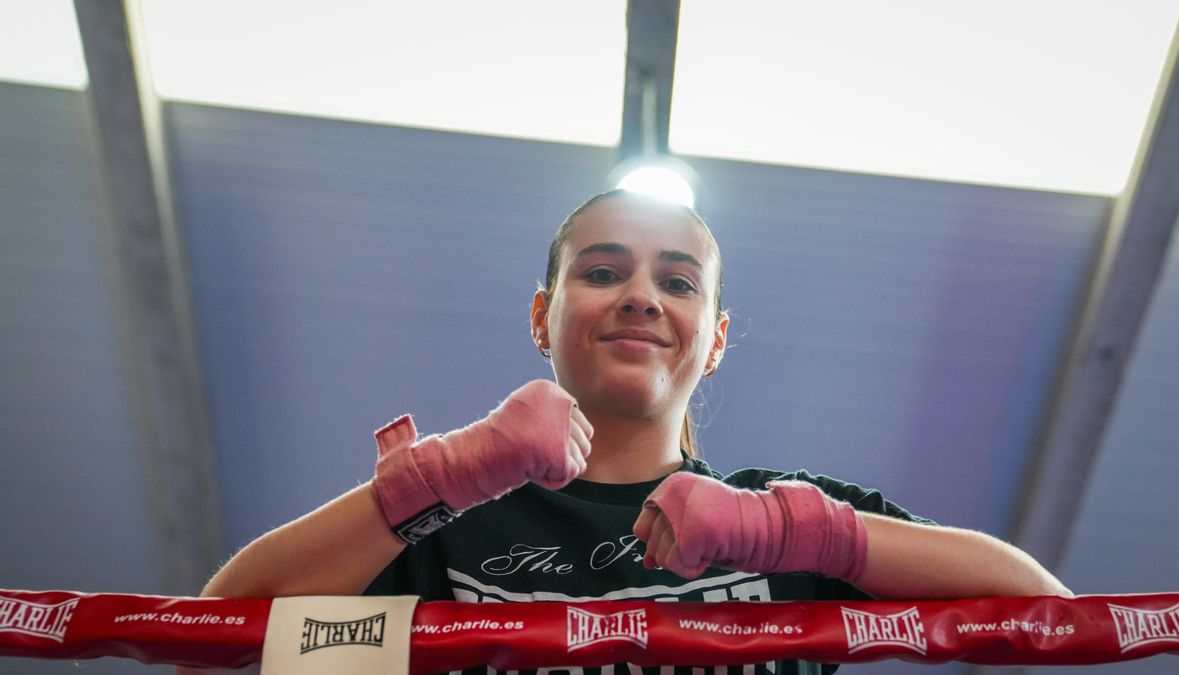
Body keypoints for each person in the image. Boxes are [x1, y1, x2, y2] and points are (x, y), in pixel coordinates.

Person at [187, 190, 1071, 675]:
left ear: (715, 339)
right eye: (604, 271)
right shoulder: (446, 530)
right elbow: (212, 641)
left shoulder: (789, 526)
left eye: (679, 283)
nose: (641, 296)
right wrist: (442, 476)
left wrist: (793, 530)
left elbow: (1045, 615)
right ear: (542, 316)